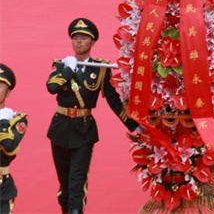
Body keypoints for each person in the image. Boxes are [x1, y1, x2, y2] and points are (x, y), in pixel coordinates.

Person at [47, 18, 139, 213]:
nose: (79, 42)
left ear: (93, 42)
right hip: (60, 129)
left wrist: (134, 126)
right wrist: (69, 69)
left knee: (77, 186)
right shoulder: (61, 65)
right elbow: (52, 87)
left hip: (83, 130)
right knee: (64, 189)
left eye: (84, 38)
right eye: (75, 38)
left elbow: (114, 101)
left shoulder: (101, 69)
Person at [0, 64, 26, 214]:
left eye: (0, 85)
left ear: (8, 92)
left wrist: (2, 121)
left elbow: (9, 145)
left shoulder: (15, 120)